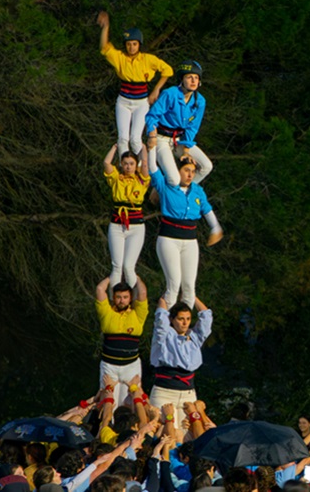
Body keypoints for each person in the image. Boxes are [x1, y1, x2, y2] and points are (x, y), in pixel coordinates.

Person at [147, 147, 222, 308]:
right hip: (169, 239)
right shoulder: (167, 186)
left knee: (189, 288)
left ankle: (183, 328)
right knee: (174, 285)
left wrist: (215, 228)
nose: (190, 175)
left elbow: (207, 209)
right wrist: (152, 147)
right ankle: (164, 325)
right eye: (186, 170)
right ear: (177, 170)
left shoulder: (197, 190)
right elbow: (153, 168)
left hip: (190, 240)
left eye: (193, 171)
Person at [96, 11, 173, 158]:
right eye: (129, 44)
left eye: (134, 44)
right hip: (124, 101)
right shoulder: (120, 58)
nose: (131, 47)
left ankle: (144, 166)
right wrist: (106, 27)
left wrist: (156, 90)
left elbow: (168, 71)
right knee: (123, 139)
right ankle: (125, 168)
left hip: (141, 103)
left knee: (136, 140)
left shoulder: (147, 59)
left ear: (139, 45)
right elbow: (105, 48)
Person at [146, 60, 213, 187]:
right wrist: (152, 135)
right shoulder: (170, 94)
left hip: (179, 140)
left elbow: (192, 128)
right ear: (182, 79)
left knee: (206, 166)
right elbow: (152, 115)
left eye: (196, 78)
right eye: (189, 77)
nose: (193, 81)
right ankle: (166, 190)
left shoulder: (200, 101)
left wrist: (186, 150)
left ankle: (180, 194)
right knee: (174, 179)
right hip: (161, 138)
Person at [149, 295, 213, 425]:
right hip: (164, 392)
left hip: (188, 393)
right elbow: (161, 321)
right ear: (172, 320)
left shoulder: (194, 338)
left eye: (188, 319)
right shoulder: (165, 337)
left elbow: (206, 318)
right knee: (165, 433)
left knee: (187, 433)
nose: (185, 323)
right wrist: (165, 298)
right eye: (180, 319)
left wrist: (191, 295)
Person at [95, 276, 149, 407]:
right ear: (113, 297)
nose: (121, 301)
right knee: (107, 402)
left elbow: (142, 293)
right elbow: (100, 289)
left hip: (131, 366)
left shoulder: (137, 314)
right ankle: (106, 426)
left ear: (130, 298)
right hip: (109, 366)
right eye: (118, 297)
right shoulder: (107, 313)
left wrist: (133, 275)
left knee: (130, 403)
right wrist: (112, 276)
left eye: (125, 297)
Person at [102, 145, 150, 288]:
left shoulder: (141, 180)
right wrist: (115, 147)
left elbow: (145, 164)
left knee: (129, 266)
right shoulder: (117, 179)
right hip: (117, 225)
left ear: (136, 165)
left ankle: (135, 300)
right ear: (121, 165)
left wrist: (143, 148)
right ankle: (115, 300)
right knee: (116, 266)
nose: (128, 167)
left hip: (136, 226)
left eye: (131, 164)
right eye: (125, 164)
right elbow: (106, 163)